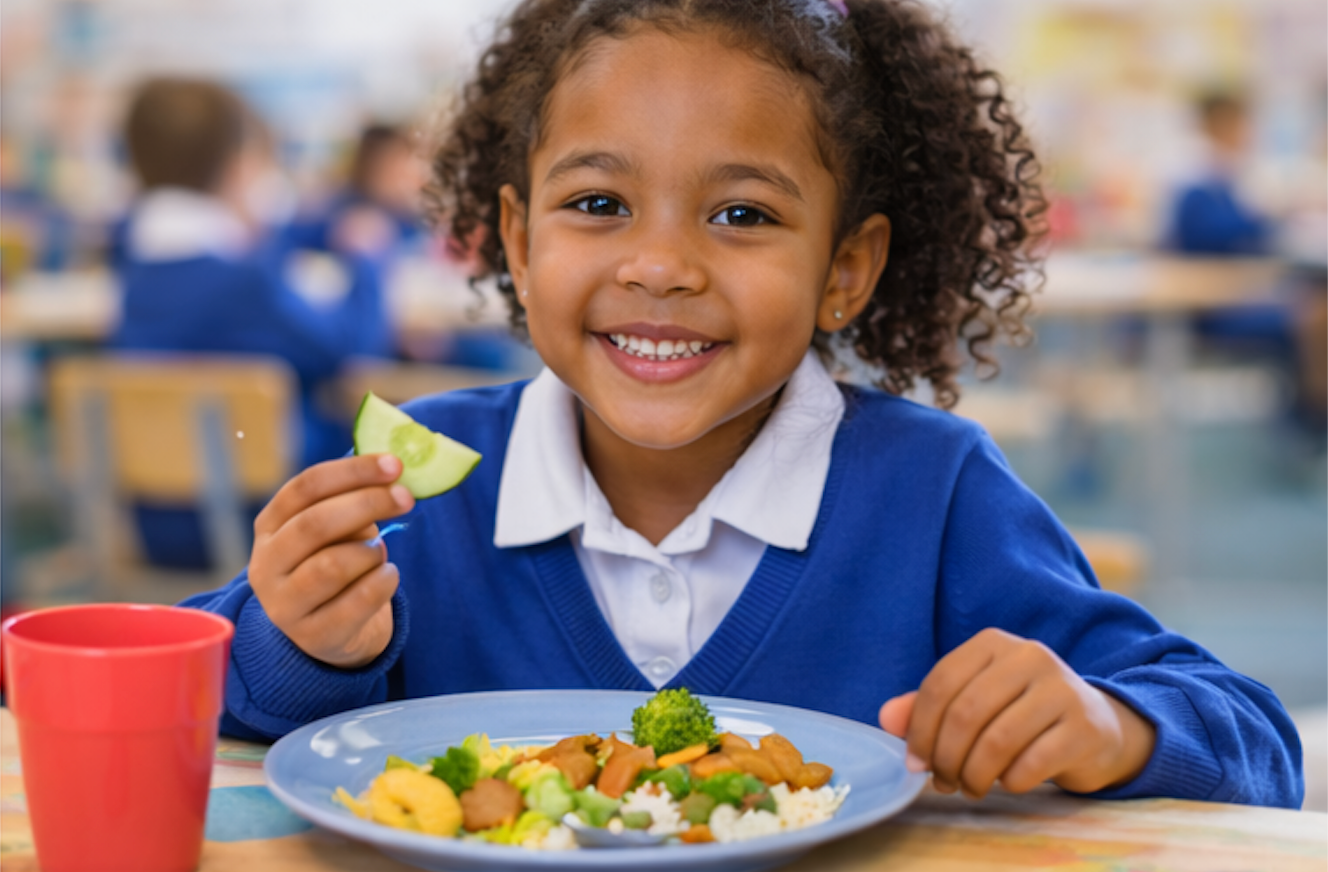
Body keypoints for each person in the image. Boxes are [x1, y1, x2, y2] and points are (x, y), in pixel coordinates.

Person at [183, 0, 1301, 807]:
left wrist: (1107, 723)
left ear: (845, 269)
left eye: (741, 216)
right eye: (600, 201)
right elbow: (207, 695)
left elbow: (1253, 739)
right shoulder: (424, 479)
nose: (661, 264)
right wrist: (307, 647)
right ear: (519, 242)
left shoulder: (935, 492)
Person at [111, 77, 393, 568]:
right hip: (257, 524)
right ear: (238, 164)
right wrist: (368, 262)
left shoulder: (135, 270)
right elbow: (351, 346)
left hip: (155, 521)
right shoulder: (246, 284)